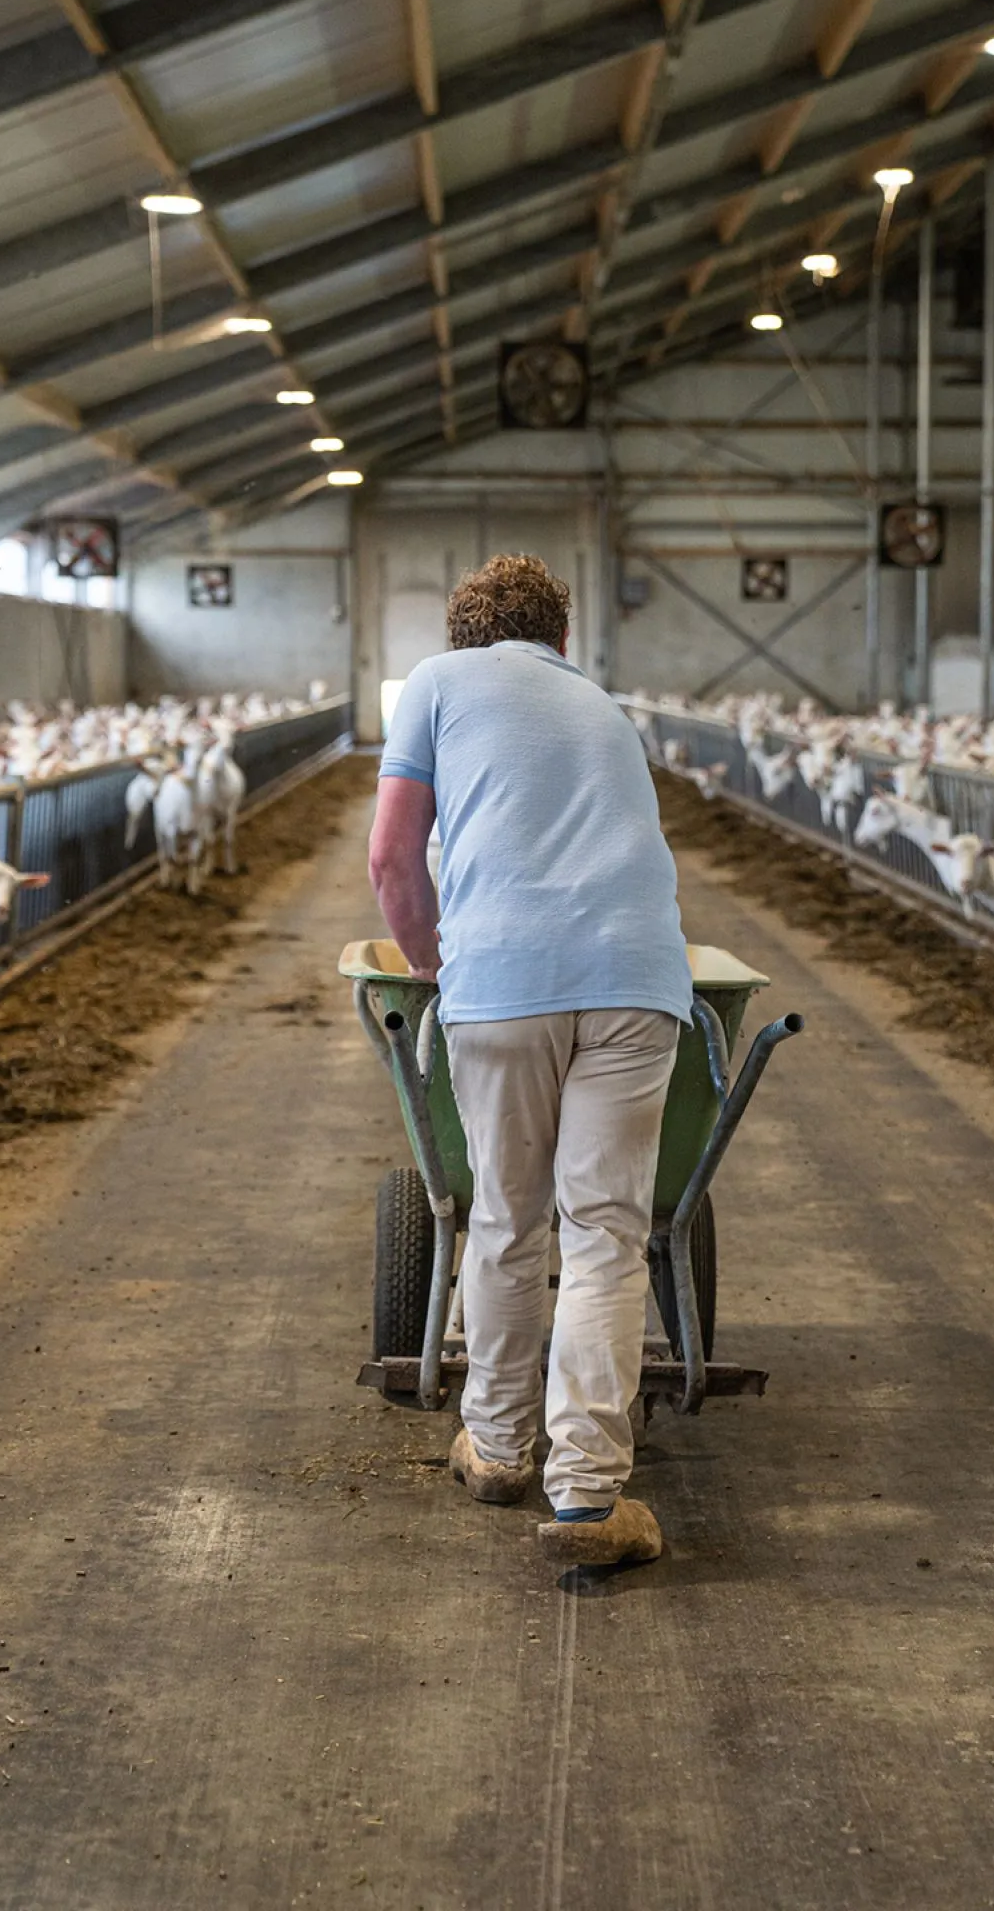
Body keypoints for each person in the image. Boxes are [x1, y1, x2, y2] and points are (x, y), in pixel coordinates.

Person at [367, 553, 692, 1568]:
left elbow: (390, 855)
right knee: (605, 1232)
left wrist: (426, 958)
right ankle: (592, 1495)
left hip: (504, 981)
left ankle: (500, 1450)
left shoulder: (435, 680)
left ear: (462, 635)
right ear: (561, 639)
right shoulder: (599, 704)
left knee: (506, 1218)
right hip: (640, 982)